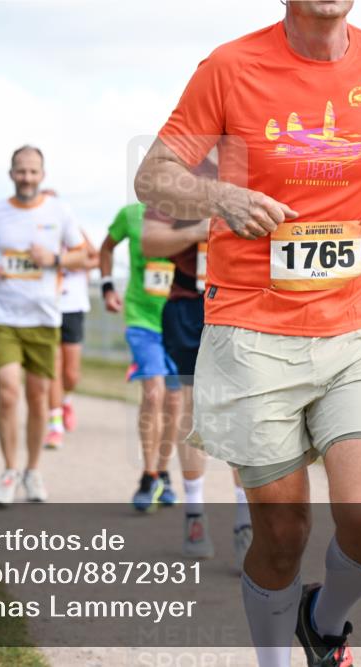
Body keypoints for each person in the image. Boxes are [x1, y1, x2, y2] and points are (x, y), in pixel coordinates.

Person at [134, 2, 361, 665]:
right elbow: (153, 176)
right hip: (251, 332)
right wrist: (221, 199)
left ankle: (322, 626)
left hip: (353, 328)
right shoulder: (230, 66)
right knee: (284, 530)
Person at [141, 156, 253, 567]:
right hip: (191, 305)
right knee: (192, 410)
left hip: (247, 306)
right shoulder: (181, 176)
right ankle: (195, 512)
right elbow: (151, 241)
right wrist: (203, 226)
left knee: (244, 412)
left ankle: (245, 520)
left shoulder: (261, 164)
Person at [0, 145, 88, 505]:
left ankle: (32, 471)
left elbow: (85, 254)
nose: (27, 177)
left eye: (33, 171)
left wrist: (54, 258)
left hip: (43, 318)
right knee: (8, 391)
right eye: (21, 171)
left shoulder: (60, 211)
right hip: (4, 317)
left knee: (38, 397)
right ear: (11, 174)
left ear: (43, 174)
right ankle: (9, 471)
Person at [100, 203, 183, 512]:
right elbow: (106, 248)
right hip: (141, 319)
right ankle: (148, 476)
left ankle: (164, 472)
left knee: (175, 401)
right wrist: (107, 288)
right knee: (153, 391)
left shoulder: (194, 213)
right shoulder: (130, 215)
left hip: (178, 320)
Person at [45, 230, 100, 449]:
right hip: (48, 308)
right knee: (53, 368)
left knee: (71, 374)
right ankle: (55, 425)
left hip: (73, 308)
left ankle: (66, 400)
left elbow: (96, 258)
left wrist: (76, 262)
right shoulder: (40, 234)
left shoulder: (74, 233)